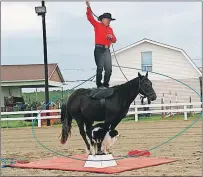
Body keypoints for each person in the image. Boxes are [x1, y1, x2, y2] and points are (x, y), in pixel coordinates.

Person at [85, 0, 117, 88]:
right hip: (99, 49)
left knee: (109, 69)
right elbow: (90, 18)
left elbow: (114, 40)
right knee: (100, 67)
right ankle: (99, 85)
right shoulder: (97, 25)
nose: (108, 21)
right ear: (103, 19)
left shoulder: (110, 29)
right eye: (107, 19)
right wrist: (88, 7)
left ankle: (105, 84)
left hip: (107, 49)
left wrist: (111, 37)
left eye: (109, 20)